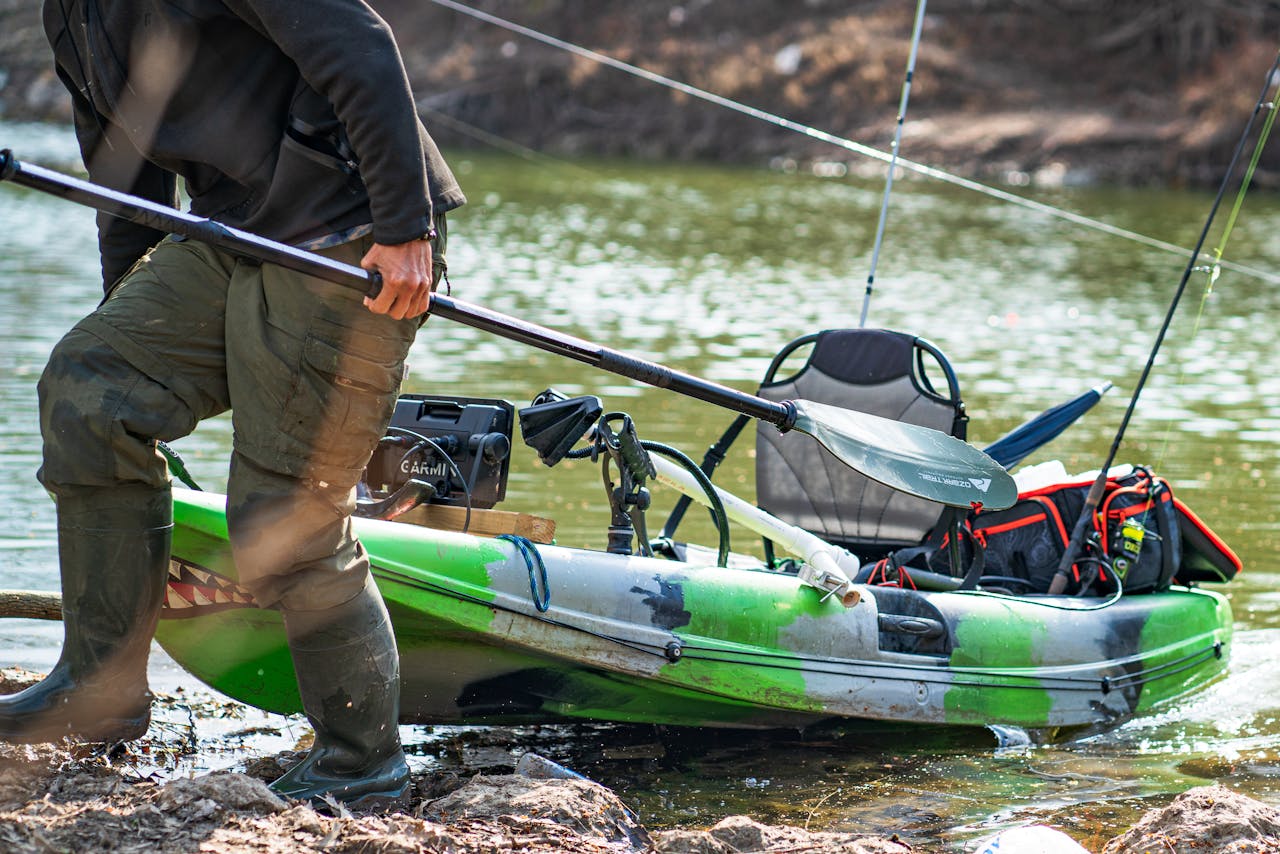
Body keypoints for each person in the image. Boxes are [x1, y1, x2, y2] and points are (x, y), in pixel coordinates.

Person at [0, 0, 465, 810]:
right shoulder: (67, 11)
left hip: (347, 229)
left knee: (284, 513)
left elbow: (361, 45)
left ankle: (363, 761)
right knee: (89, 392)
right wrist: (130, 309)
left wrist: (403, 223)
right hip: (233, 231)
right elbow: (124, 171)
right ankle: (98, 693)